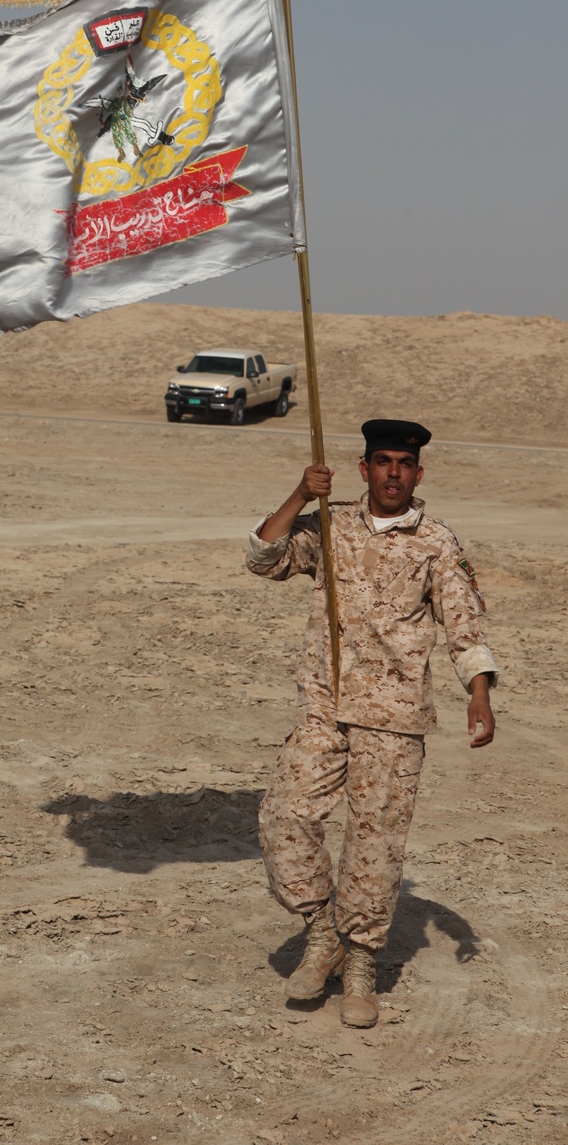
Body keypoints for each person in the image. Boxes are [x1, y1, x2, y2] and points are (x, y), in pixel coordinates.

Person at [247, 419, 498, 1029]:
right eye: (382, 461)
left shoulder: (437, 541)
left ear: (418, 472)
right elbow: (263, 557)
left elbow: (465, 628)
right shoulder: (331, 527)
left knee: (375, 842)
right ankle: (320, 930)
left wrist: (480, 695)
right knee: (285, 815)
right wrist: (302, 495)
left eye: (404, 464)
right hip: (323, 705)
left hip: (393, 715)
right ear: (364, 469)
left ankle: (359, 964)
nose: (393, 473)